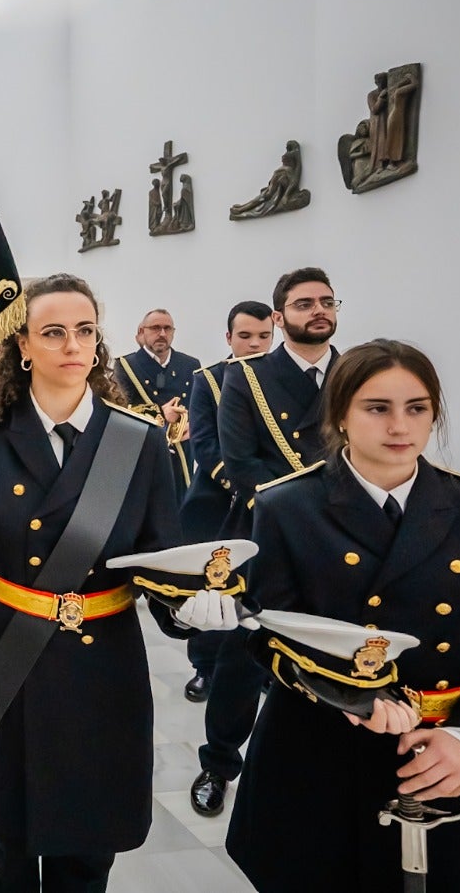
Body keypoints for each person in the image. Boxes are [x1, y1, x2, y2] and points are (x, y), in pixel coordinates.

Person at [0, 273, 213, 892]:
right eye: (54, 332)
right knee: (6, 841)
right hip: (3, 661)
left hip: (102, 671)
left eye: (86, 331)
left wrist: (189, 607)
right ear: (22, 347)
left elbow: (161, 557)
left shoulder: (137, 441)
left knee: (87, 846)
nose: (73, 345)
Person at [227, 339, 460, 892]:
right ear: (340, 416)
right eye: (377, 408)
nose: (400, 425)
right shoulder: (287, 508)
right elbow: (266, 640)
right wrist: (350, 692)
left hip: (445, 757)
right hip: (316, 757)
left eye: (418, 408)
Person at [193, 266, 343, 817]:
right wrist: (301, 517)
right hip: (267, 532)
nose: (318, 311)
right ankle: (219, 762)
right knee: (242, 657)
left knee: (335, 651)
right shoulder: (248, 376)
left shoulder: (356, 372)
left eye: (327, 301)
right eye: (304, 304)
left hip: (344, 537)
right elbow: (241, 462)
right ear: (280, 318)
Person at [177, 300, 274, 706]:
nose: (254, 344)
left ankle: (264, 665)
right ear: (229, 337)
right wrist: (244, 488)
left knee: (264, 590)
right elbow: (204, 442)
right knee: (213, 587)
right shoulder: (210, 379)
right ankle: (206, 666)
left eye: (263, 336)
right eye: (245, 336)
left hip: (273, 502)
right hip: (221, 500)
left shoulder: (281, 378)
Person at [111, 308, 201, 491]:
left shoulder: (190, 365)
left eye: (167, 329)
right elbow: (120, 412)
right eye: (155, 328)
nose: (162, 334)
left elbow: (198, 406)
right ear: (142, 332)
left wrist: (194, 426)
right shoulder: (125, 366)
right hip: (145, 449)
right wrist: (160, 413)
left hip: (182, 453)